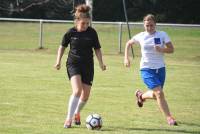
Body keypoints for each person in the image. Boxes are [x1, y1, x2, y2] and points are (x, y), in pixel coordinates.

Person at [54, 4, 106, 128]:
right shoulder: (70, 32)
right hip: (73, 64)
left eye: (87, 23)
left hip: (88, 65)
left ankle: (77, 112)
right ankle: (68, 119)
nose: (86, 26)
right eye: (83, 23)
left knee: (86, 95)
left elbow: (97, 49)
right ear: (77, 21)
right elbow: (62, 47)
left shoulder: (92, 32)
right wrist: (58, 61)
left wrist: (101, 63)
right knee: (77, 91)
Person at [124, 14, 177, 126]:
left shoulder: (162, 35)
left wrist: (161, 49)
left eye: (151, 25)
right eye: (147, 25)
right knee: (159, 93)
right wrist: (126, 58)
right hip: (146, 68)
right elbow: (128, 43)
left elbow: (171, 49)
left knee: (155, 94)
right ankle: (169, 118)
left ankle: (141, 96)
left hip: (160, 69)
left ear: (155, 25)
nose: (149, 28)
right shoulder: (141, 36)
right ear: (144, 25)